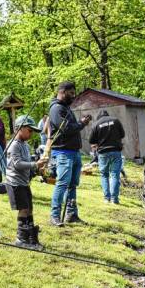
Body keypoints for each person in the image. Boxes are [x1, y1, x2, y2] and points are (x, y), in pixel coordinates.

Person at [48, 81, 92, 226]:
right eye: (71, 93)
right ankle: (54, 215)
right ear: (62, 92)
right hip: (62, 152)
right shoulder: (56, 109)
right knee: (62, 184)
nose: (73, 96)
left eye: (74, 93)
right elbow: (66, 129)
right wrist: (81, 123)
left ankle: (71, 214)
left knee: (72, 185)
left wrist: (80, 123)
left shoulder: (66, 109)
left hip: (73, 152)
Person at [5, 115, 48, 249]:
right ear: (20, 128)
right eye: (29, 130)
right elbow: (17, 164)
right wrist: (34, 164)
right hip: (15, 183)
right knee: (23, 210)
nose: (31, 134)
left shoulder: (24, 144)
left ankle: (31, 238)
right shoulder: (13, 145)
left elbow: (28, 163)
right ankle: (21, 239)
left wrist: (37, 169)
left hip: (24, 183)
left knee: (29, 209)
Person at [89, 110, 125, 204]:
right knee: (115, 175)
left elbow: (91, 140)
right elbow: (123, 134)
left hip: (103, 153)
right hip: (116, 151)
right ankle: (114, 199)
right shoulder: (116, 120)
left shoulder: (96, 124)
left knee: (104, 175)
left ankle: (106, 198)